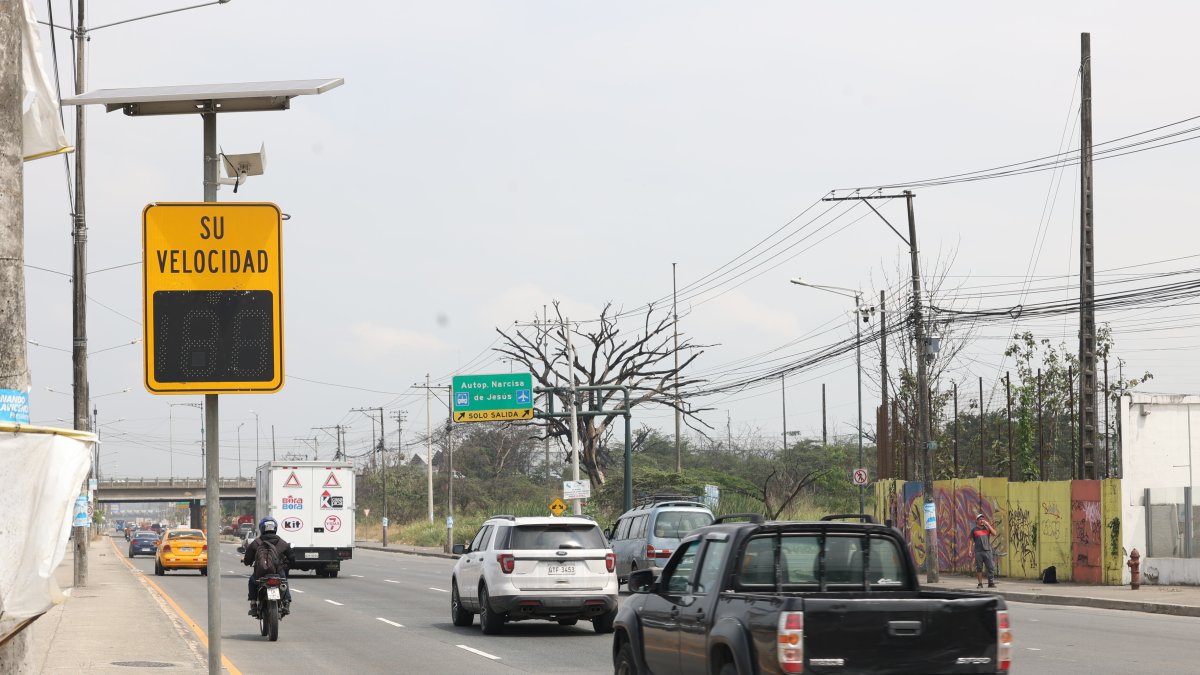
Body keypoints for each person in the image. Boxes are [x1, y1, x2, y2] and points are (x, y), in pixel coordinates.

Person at [242, 517, 294, 617]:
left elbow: (247, 561)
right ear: (275, 528)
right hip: (277, 572)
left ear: (261, 528)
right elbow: (292, 558)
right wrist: (287, 564)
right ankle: (286, 603)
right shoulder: (282, 543)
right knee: (284, 581)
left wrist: (250, 562)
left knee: (252, 582)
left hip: (260, 574)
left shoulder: (256, 543)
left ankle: (253, 604)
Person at [971, 513, 998, 589]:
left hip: (987, 551)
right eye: (980, 519)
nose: (982, 520)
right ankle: (980, 584)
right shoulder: (974, 530)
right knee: (979, 568)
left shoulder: (987, 528)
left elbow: (994, 533)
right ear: (977, 521)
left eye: (983, 519)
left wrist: (988, 525)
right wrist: (970, 550)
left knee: (990, 567)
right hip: (978, 551)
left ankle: (991, 583)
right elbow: (970, 540)